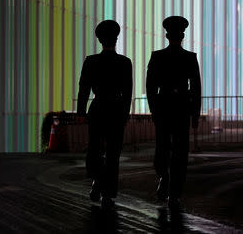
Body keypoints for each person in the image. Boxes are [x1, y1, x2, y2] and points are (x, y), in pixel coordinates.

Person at [146, 16, 201, 209]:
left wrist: (153, 109)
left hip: (163, 106)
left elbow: (150, 86)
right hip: (182, 107)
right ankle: (175, 193)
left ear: (167, 35)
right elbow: (196, 88)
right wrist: (195, 114)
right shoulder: (190, 57)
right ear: (183, 36)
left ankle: (163, 177)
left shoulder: (157, 56)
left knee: (162, 147)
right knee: (180, 151)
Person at [77, 20, 133, 208]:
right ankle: (109, 191)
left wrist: (80, 112)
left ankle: (96, 181)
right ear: (116, 39)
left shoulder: (91, 61)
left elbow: (83, 88)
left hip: (98, 107)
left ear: (100, 40)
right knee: (113, 152)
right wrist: (125, 113)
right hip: (116, 109)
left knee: (95, 148)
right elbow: (127, 92)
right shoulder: (125, 62)